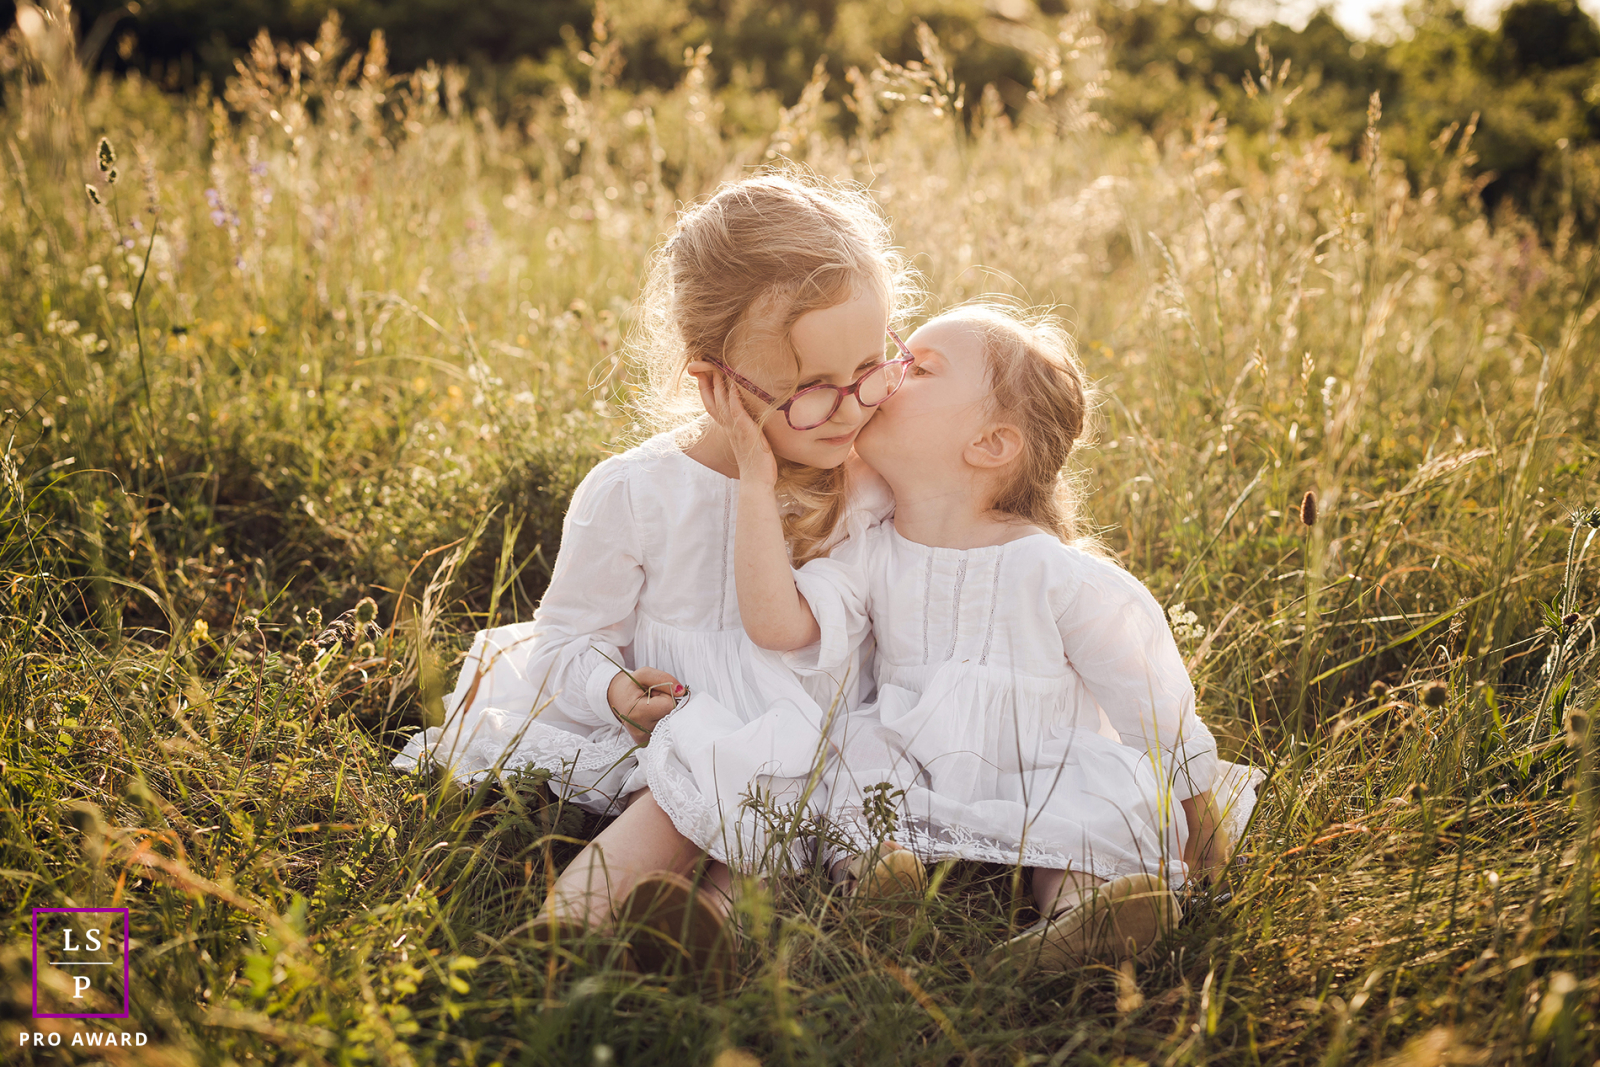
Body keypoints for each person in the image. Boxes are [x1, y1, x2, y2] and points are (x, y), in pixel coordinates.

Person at [392, 172, 924, 980]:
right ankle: (564, 933)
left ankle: (703, 928)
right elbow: (565, 642)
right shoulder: (635, 493)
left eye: (869, 369)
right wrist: (614, 692)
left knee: (757, 799)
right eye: (812, 392)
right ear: (712, 381)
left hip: (809, 741)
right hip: (676, 724)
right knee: (682, 789)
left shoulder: (864, 483)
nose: (851, 409)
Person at [702, 300, 1259, 971]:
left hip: (1044, 764)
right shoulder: (871, 548)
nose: (886, 372)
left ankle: (1082, 918)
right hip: (915, 753)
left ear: (989, 444)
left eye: (917, 367)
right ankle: (881, 882)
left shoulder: (1051, 570)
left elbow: (1146, 693)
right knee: (858, 766)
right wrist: (756, 482)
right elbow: (778, 624)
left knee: (1101, 806)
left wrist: (1198, 810)